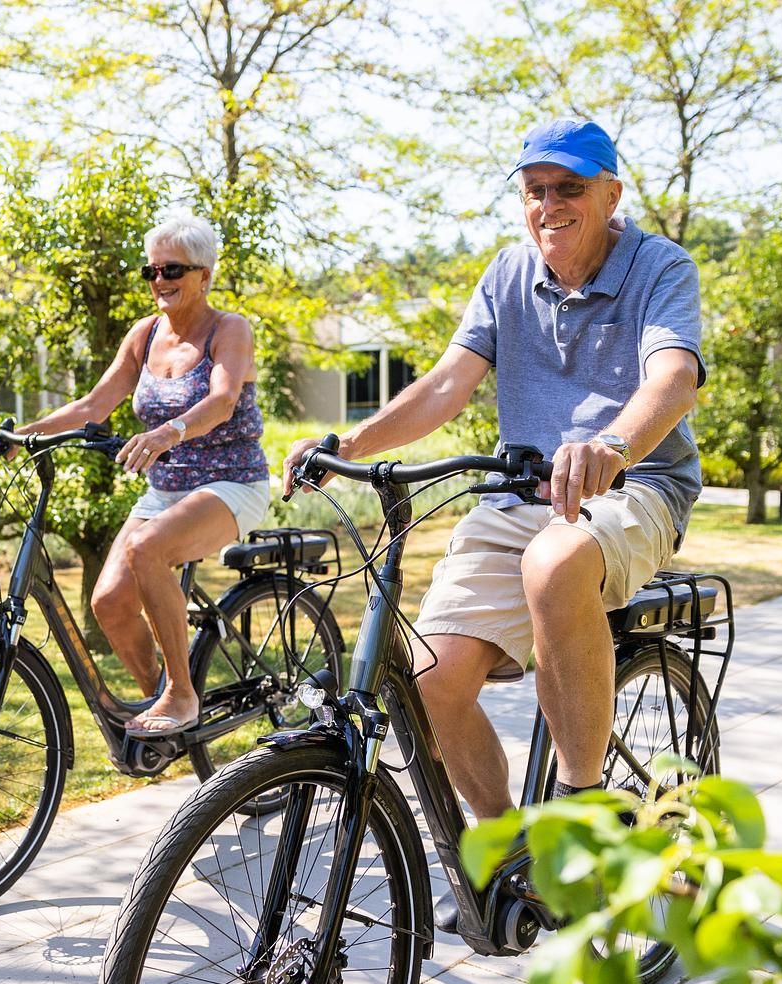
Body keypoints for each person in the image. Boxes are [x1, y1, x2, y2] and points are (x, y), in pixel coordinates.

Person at [285, 117, 703, 860]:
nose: (549, 203)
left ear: (611, 194)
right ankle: (506, 845)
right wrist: (346, 445)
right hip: (518, 496)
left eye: (569, 187)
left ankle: (578, 808)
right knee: (428, 685)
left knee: (554, 561)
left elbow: (672, 377)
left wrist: (612, 444)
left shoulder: (659, 266)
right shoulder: (508, 273)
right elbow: (447, 382)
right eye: (534, 189)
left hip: (633, 487)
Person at [11, 215, 271, 736]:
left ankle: (181, 695)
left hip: (231, 484)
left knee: (146, 548)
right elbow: (96, 404)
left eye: (172, 269)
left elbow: (221, 401)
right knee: (108, 603)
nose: (159, 280)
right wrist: (20, 435)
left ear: (205, 275)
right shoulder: (144, 334)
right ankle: (164, 703)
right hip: (165, 492)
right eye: (150, 271)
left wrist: (169, 431)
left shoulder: (230, 329)